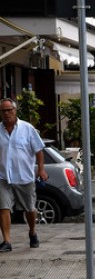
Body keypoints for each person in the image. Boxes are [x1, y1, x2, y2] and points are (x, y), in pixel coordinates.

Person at [0, 98, 47, 252]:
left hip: (23, 176)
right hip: (3, 177)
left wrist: (41, 169)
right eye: (3, 111)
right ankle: (7, 241)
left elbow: (39, 150)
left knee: (29, 208)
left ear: (15, 111)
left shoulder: (27, 128)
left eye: (9, 110)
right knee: (3, 207)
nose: (6, 113)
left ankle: (32, 232)